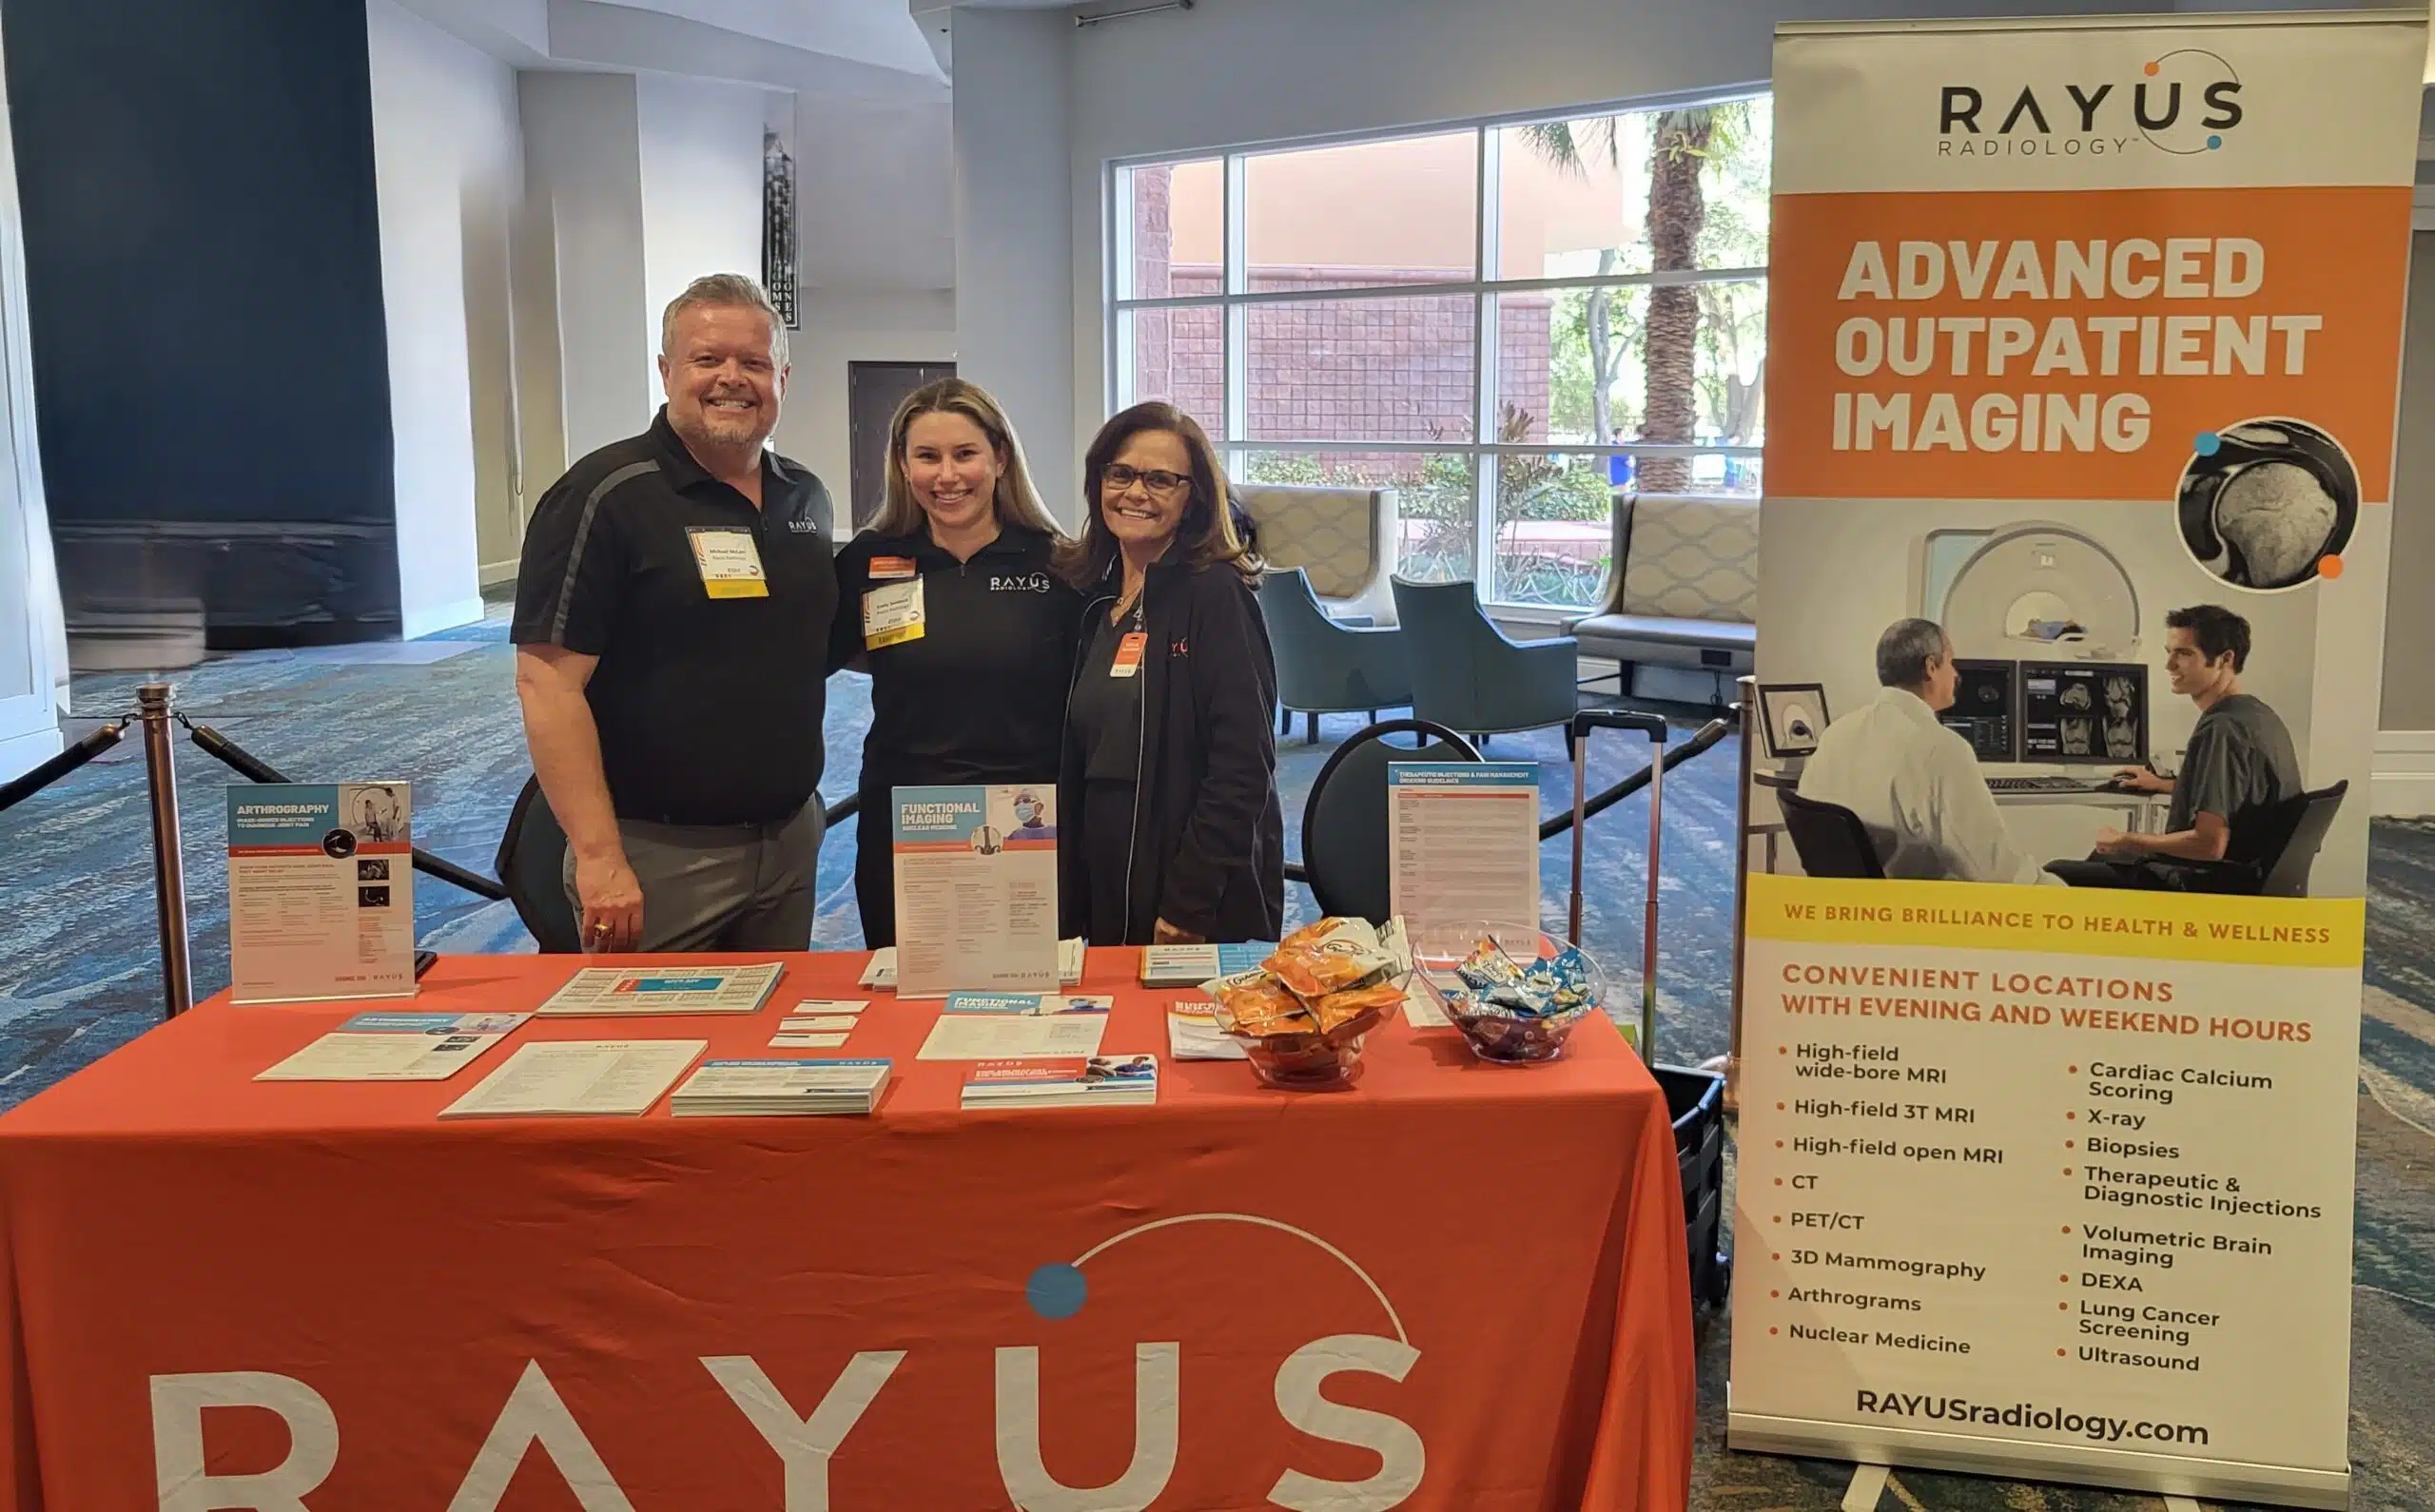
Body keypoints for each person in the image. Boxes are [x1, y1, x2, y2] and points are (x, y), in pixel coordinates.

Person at [512, 273, 838, 953]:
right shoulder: (604, 496)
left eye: (753, 362)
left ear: (782, 375)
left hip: (790, 843)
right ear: (666, 370)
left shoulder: (804, 497)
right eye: (708, 359)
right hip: (655, 857)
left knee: (769, 1051)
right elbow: (547, 683)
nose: (731, 379)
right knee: (644, 1052)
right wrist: (600, 859)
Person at [828, 379, 1081, 946]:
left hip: (1028, 819)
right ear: (902, 463)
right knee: (909, 995)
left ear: (1000, 457)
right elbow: (825, 655)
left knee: (1029, 994)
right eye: (927, 456)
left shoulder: (1059, 564)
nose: (947, 476)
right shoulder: (866, 563)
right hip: (908, 816)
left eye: (965, 454)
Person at [1056, 402, 1282, 945]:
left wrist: (1188, 904)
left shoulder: (1215, 594)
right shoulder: (1094, 596)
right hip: (1110, 870)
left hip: (1192, 888)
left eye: (1161, 479)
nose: (1136, 492)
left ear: (1194, 498)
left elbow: (1242, 766)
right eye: (1121, 473)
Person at [2048, 604, 2301, 890]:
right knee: (2103, 857)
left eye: (2184, 653)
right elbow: (2239, 796)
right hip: (2245, 876)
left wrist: (2127, 839)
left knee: (2056, 874)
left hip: (2204, 884)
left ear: (2225, 659)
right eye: (2168, 652)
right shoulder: (2257, 715)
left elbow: (2209, 845)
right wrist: (2165, 784)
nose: (2169, 665)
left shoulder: (2221, 729)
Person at [1796, 618, 2055, 885]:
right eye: (1950, 662)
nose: (1955, 674)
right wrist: (2064, 893)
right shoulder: (1941, 749)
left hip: (1843, 911)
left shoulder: (1835, 734)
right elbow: (1996, 872)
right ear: (1931, 667)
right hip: (1916, 913)